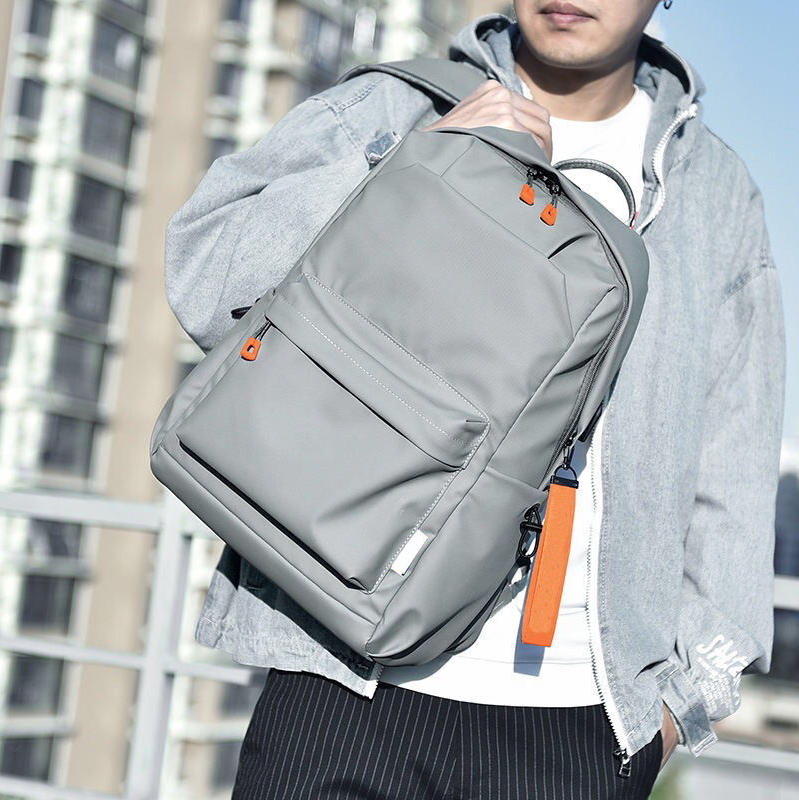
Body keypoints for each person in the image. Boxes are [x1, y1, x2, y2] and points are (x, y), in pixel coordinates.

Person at [163, 1, 785, 798]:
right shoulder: (400, 106)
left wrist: (678, 706)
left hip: (579, 729)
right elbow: (208, 279)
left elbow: (734, 468)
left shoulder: (715, 192)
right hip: (339, 681)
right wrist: (413, 164)